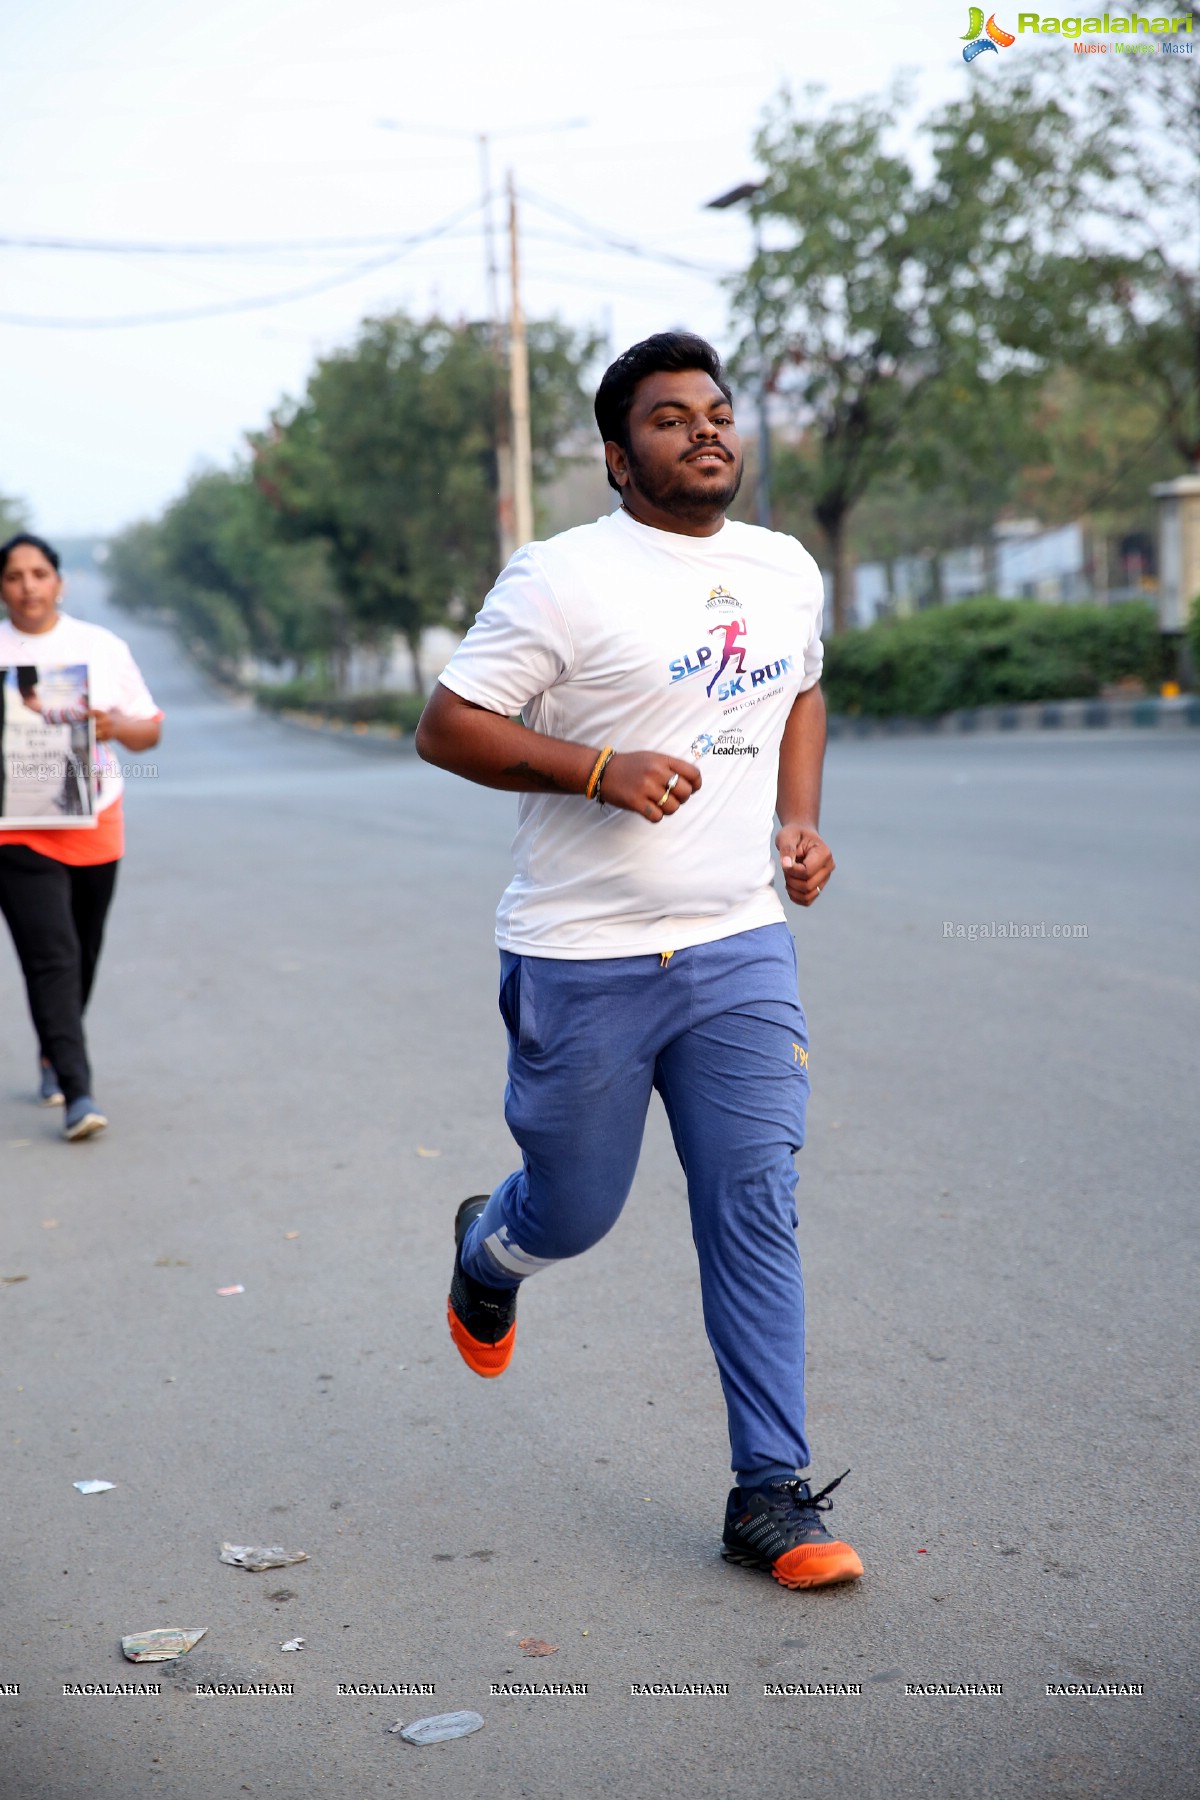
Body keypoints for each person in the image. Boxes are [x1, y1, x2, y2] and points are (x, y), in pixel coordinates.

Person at [415, 332, 863, 1591]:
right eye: (671, 419)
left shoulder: (782, 568)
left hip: (736, 944)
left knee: (755, 1202)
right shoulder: (560, 579)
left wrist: (799, 819)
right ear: (620, 458)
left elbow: (800, 696)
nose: (707, 431)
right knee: (577, 1210)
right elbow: (447, 726)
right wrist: (597, 771)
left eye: (718, 413)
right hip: (583, 955)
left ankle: (769, 1493)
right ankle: (487, 1253)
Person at [0, 534, 163, 1140]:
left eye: (39, 573)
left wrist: (114, 725)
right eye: (14, 576)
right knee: (52, 957)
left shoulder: (99, 646)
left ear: (58, 582)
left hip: (94, 820)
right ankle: (78, 1090)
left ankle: (51, 1052)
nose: (28, 586)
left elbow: (150, 733)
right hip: (14, 831)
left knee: (83, 950)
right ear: (2, 587)